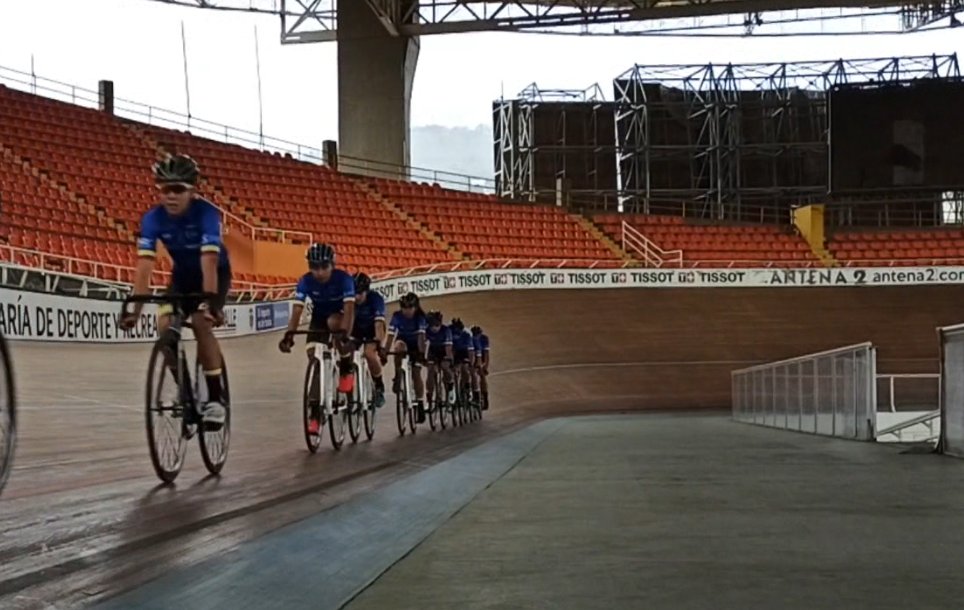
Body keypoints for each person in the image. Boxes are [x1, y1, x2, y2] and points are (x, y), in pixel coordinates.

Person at [122, 154, 231, 429]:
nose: (171, 196)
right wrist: (135, 310)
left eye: (178, 189)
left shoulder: (206, 214)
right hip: (182, 277)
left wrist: (209, 304)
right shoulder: (152, 219)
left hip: (214, 274)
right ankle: (184, 392)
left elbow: (208, 263)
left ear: (192, 191)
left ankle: (216, 399)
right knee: (164, 324)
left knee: (199, 321)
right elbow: (144, 266)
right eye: (165, 190)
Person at [278, 243, 356, 436]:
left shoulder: (344, 279)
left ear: (332, 264)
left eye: (324, 267)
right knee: (314, 356)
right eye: (314, 267)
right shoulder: (305, 281)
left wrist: (345, 333)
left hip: (339, 316)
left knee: (334, 325)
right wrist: (289, 334)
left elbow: (349, 310)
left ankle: (346, 366)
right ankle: (315, 413)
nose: (319, 272)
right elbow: (297, 310)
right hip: (318, 319)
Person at [385, 292, 427, 420]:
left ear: (415, 307)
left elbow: (421, 338)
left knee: (416, 373)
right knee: (398, 348)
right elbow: (391, 335)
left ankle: (420, 402)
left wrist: (421, 355)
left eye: (410, 308)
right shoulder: (397, 316)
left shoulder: (420, 318)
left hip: (416, 343)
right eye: (404, 308)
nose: (406, 311)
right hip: (403, 340)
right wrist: (385, 351)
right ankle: (398, 375)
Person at [351, 272, 387, 408]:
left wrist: (380, 346)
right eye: (354, 293)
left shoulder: (376, 299)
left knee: (369, 354)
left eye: (359, 293)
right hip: (356, 329)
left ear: (366, 291)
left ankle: (379, 386)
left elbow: (379, 325)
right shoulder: (349, 299)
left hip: (372, 329)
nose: (356, 297)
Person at [424, 310, 455, 409]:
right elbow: (424, 346)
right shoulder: (426, 330)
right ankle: (429, 398)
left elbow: (448, 349)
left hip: (444, 350)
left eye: (437, 325)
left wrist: (448, 359)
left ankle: (450, 385)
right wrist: (425, 358)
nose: (435, 327)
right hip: (433, 351)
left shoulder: (446, 331)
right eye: (433, 325)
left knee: (445, 366)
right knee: (430, 371)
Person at [449, 317, 476, 404]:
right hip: (454, 350)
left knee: (465, 368)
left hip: (464, 351)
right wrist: (452, 363)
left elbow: (471, 351)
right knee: (452, 369)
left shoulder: (467, 334)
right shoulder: (448, 330)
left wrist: (471, 364)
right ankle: (452, 388)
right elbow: (448, 349)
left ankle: (467, 387)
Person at [471, 325, 490, 410]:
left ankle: (485, 397)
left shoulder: (484, 339)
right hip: (471, 355)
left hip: (480, 356)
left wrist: (484, 367)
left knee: (482, 375)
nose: (476, 337)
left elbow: (486, 355)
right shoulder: (470, 339)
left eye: (477, 335)